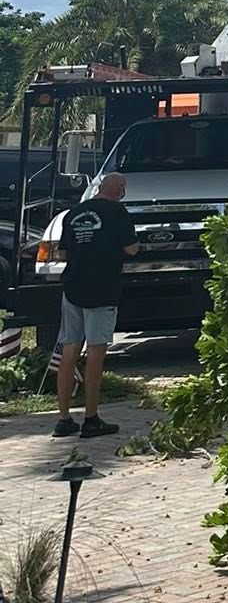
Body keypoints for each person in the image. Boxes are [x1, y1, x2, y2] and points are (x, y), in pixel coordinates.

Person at [53, 171, 137, 439]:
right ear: (120, 189)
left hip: (73, 287)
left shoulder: (74, 214)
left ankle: (64, 418)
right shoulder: (118, 213)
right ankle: (91, 418)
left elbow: (63, 251)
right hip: (103, 289)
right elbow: (131, 248)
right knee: (96, 353)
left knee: (69, 349)